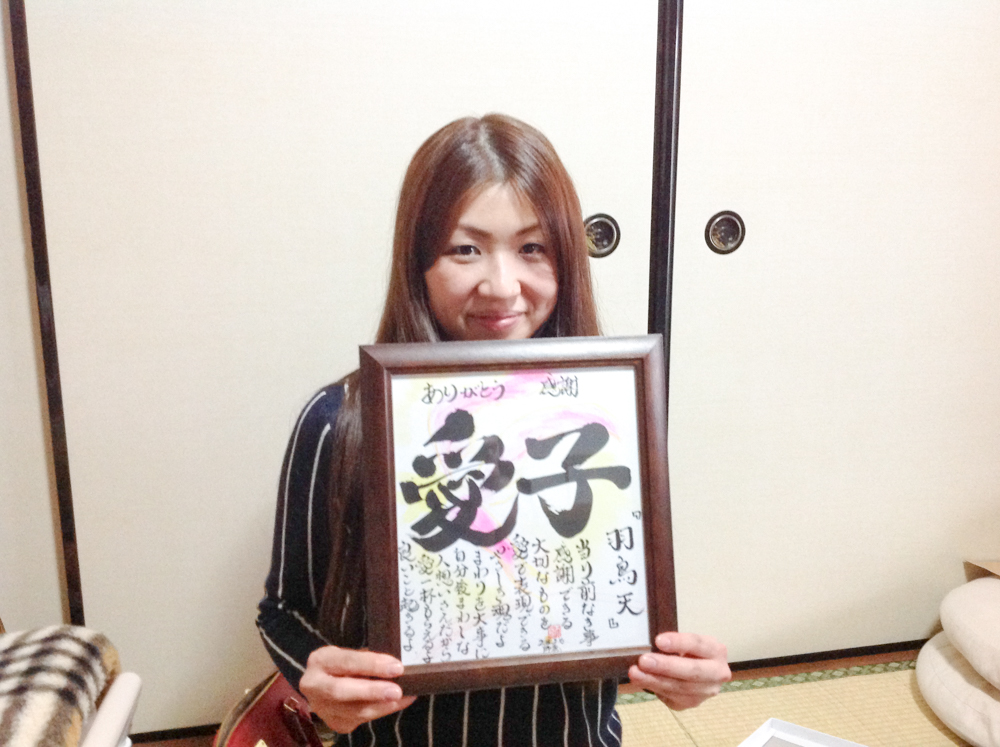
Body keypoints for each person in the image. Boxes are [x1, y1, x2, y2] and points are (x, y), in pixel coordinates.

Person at [257, 113, 730, 746]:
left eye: (533, 249)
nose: (503, 287)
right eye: (465, 249)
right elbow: (281, 610)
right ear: (417, 262)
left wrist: (676, 670)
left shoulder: (612, 412)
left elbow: (605, 610)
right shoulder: (339, 420)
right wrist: (318, 680)